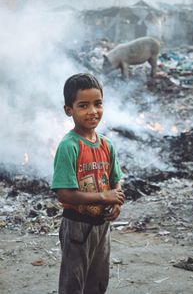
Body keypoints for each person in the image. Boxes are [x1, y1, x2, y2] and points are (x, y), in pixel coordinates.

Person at [51, 73, 125, 294]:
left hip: (102, 225)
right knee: (74, 282)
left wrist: (117, 201)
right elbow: (64, 194)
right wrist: (104, 197)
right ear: (69, 110)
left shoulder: (106, 145)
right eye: (83, 105)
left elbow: (115, 180)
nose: (93, 111)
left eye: (98, 103)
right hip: (77, 226)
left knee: (98, 279)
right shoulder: (69, 146)